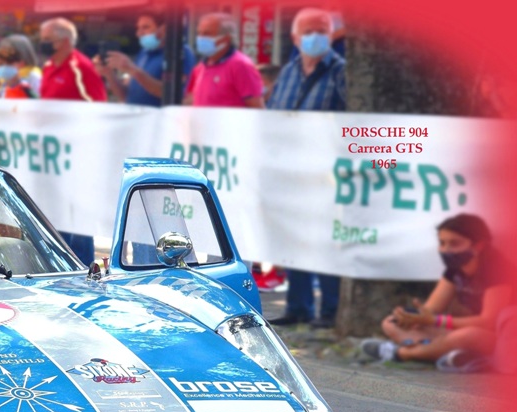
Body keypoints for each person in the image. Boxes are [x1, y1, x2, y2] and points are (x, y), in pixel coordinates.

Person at [266, 8, 347, 328]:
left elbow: (352, 121)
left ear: (329, 36)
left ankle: (331, 310)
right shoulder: (288, 72)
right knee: (293, 240)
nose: (315, 36)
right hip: (288, 171)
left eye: (321, 30)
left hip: (325, 173)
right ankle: (298, 307)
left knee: (326, 240)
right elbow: (272, 115)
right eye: (308, 31)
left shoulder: (341, 72)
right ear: (295, 38)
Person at [360, 213, 514, 370]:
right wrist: (410, 317)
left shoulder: (497, 270)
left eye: (454, 243)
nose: (446, 250)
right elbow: (431, 310)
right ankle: (455, 355)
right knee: (390, 323)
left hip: (498, 339)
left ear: (478, 246)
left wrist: (435, 321)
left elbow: (489, 322)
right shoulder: (454, 270)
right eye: (442, 243)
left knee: (466, 335)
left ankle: (402, 354)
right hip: (464, 333)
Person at [101, 11, 195, 106]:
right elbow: (126, 96)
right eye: (138, 28)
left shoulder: (180, 52)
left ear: (163, 29)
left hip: (159, 118)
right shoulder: (144, 52)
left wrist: (133, 70)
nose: (139, 33)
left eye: (146, 27)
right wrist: (109, 74)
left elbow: (173, 93)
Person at [183, 13, 264, 108]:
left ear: (226, 38)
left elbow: (257, 108)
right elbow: (190, 99)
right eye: (199, 33)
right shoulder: (201, 67)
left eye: (207, 34)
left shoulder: (241, 65)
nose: (201, 38)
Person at [38, 17, 107, 102]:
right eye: (42, 39)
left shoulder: (82, 67)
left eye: (47, 39)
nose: (43, 43)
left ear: (65, 41)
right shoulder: (48, 65)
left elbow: (98, 103)